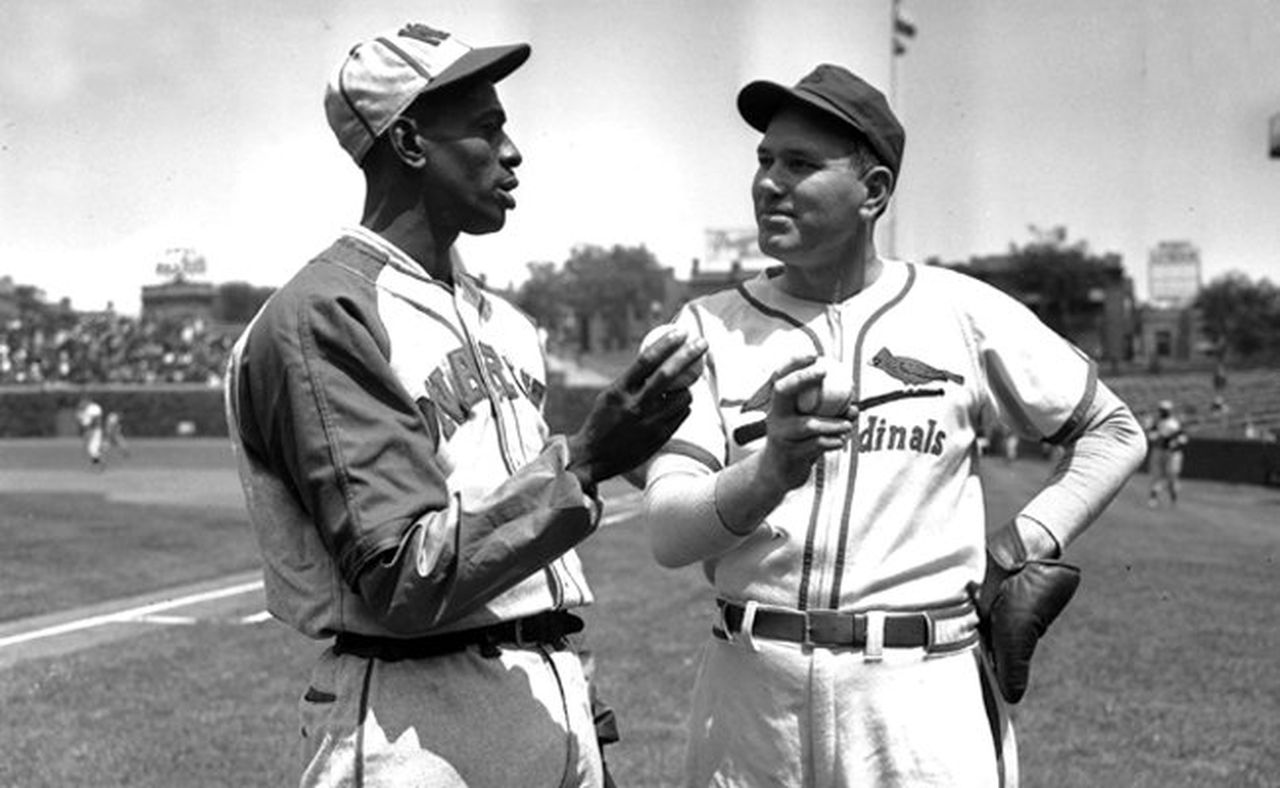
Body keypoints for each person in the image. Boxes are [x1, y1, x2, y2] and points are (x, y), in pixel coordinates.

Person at [223, 22, 706, 787]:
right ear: (411, 143)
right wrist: (585, 460)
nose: (512, 151)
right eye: (486, 128)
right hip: (413, 717)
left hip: (546, 691)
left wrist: (578, 710)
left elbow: (523, 566)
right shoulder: (324, 314)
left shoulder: (503, 320)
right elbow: (399, 573)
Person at [642, 64, 1146, 786]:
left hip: (918, 693)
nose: (768, 182)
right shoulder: (706, 327)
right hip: (751, 693)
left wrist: (1015, 548)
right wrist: (767, 474)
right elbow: (667, 532)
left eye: (800, 164)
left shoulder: (959, 311)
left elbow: (1113, 431)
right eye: (763, 159)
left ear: (874, 192)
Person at [1146, 399, 1189, 507]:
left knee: (1172, 475)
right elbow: (1151, 436)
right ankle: (1153, 498)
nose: (1163, 412)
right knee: (1156, 474)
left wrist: (1175, 441)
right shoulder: (1156, 423)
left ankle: (1173, 498)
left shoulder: (1175, 423)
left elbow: (1183, 438)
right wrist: (1158, 437)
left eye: (1165, 410)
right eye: (1162, 410)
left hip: (1173, 453)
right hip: (1158, 451)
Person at [75, 396, 105, 469]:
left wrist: (90, 430)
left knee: (92, 448)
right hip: (93, 430)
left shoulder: (93, 408)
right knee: (91, 448)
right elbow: (84, 421)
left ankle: (101, 462)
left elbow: (95, 420)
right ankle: (97, 463)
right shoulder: (87, 410)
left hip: (95, 430)